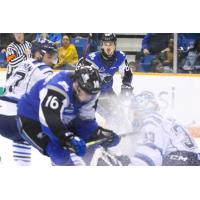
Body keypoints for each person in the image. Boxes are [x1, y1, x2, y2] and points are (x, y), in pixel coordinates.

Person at [16, 65, 120, 166]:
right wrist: (68, 138)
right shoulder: (58, 88)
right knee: (58, 153)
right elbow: (49, 120)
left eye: (91, 94)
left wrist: (99, 135)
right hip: (31, 118)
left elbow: (85, 122)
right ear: (76, 85)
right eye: (85, 93)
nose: (88, 98)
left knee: (82, 147)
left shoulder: (90, 92)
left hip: (57, 119)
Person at [0, 40, 57, 165]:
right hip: (17, 119)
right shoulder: (45, 70)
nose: (52, 60)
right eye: (50, 56)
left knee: (22, 138)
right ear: (39, 54)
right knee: (58, 139)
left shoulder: (24, 63)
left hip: (2, 116)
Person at [127, 91, 200, 166]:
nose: (134, 118)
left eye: (135, 113)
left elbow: (150, 153)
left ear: (142, 110)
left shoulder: (151, 120)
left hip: (180, 160)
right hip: (194, 159)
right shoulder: (165, 121)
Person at [78, 33, 133, 124]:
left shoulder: (120, 56)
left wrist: (126, 85)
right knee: (111, 116)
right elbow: (82, 78)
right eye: (105, 44)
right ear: (102, 45)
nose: (108, 48)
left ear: (115, 45)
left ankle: (117, 131)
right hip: (93, 95)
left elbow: (127, 73)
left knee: (120, 115)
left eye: (110, 44)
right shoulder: (92, 59)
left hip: (108, 91)